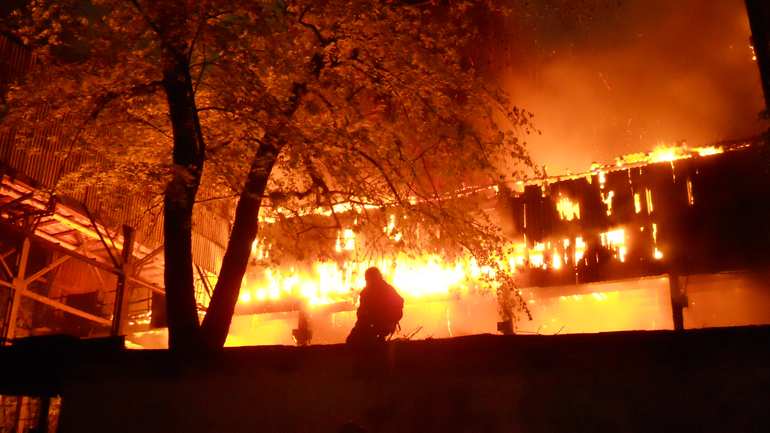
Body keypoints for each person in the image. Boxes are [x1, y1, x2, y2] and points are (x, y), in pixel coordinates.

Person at [346, 267, 404, 345]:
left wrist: (390, 322)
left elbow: (398, 307)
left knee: (362, 342)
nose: (368, 281)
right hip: (369, 324)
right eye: (367, 279)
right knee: (352, 341)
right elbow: (362, 310)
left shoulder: (388, 291)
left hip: (383, 324)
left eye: (369, 279)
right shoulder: (366, 293)